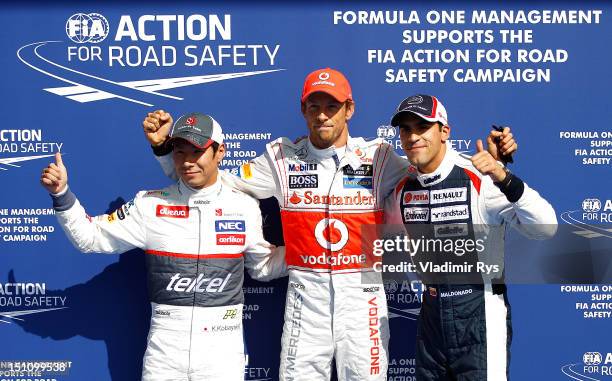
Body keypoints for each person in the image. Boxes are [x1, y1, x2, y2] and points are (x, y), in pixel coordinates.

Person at [143, 70, 515, 380]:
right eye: (315, 106)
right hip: (307, 298)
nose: (323, 115)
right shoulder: (281, 157)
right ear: (303, 110)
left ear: (349, 109)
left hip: (363, 298)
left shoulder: (379, 157)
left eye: (332, 106)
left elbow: (433, 167)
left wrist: (495, 165)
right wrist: (165, 153)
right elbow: (211, 181)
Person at [41, 113, 287, 381]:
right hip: (165, 355)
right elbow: (89, 237)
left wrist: (312, 251)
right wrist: (62, 195)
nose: (188, 161)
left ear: (220, 152)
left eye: (198, 151)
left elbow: (263, 266)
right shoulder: (150, 205)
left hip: (222, 354)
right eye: (180, 152)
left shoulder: (244, 207)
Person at [384, 94, 557, 381]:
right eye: (406, 129)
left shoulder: (480, 176)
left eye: (422, 126)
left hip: (479, 313)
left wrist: (503, 176)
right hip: (430, 316)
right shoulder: (402, 188)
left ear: (444, 132)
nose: (413, 136)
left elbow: (546, 227)